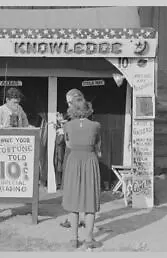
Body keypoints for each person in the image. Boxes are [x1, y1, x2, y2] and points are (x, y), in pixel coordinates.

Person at [61, 92, 102, 249]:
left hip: (73, 162)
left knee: (73, 202)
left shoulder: (67, 126)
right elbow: (98, 147)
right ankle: (89, 239)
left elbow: (69, 145)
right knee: (90, 201)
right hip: (89, 161)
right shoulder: (96, 126)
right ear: (87, 110)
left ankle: (74, 239)